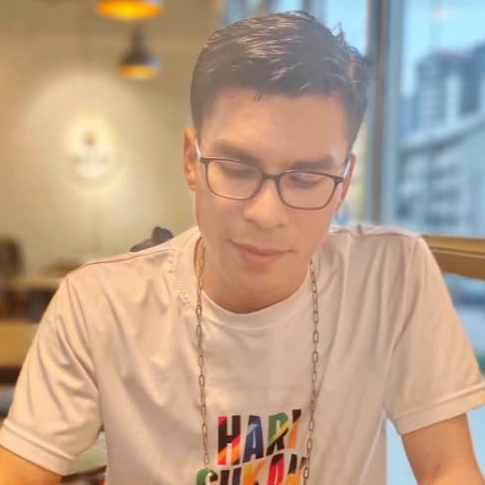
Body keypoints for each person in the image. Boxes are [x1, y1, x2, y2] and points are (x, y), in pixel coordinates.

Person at [1, 11, 484, 485]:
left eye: (306, 178)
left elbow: (448, 468)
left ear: (343, 182)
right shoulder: (98, 303)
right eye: (236, 168)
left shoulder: (390, 275)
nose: (266, 213)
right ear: (191, 160)